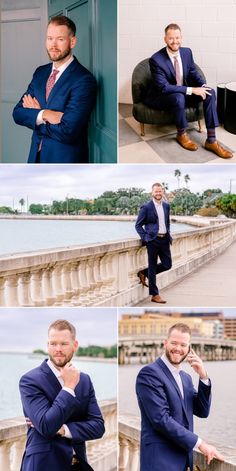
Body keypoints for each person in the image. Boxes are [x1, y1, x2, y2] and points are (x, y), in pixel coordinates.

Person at [136, 323, 224, 471]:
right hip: (159, 461)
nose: (178, 348)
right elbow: (161, 419)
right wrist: (200, 444)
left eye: (183, 344)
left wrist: (203, 376)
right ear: (165, 343)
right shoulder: (149, 374)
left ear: (189, 348)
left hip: (183, 461)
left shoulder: (186, 378)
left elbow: (202, 411)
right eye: (174, 343)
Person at [19, 319, 105, 471]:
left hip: (78, 465)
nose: (58, 349)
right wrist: (69, 387)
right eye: (53, 343)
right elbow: (46, 426)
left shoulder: (84, 380)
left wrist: (64, 429)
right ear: (47, 345)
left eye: (64, 344)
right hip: (43, 464)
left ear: (75, 345)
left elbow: (98, 426)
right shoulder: (30, 381)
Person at [13, 16, 96, 164]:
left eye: (60, 39)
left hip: (64, 159)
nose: (53, 45)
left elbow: (68, 131)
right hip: (35, 157)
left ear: (72, 42)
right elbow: (18, 113)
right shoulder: (40, 72)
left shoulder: (84, 79)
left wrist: (35, 116)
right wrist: (46, 114)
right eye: (50, 38)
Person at [144, 23, 233, 159]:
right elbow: (164, 87)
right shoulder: (156, 59)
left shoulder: (187, 52)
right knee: (178, 97)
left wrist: (202, 85)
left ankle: (211, 140)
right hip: (162, 96)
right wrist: (192, 90)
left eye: (177, 37)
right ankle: (181, 134)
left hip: (181, 92)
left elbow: (192, 72)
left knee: (210, 92)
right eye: (171, 38)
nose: (175, 41)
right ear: (165, 39)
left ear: (181, 37)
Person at [135, 182, 172, 304]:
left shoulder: (166, 206)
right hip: (153, 240)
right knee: (152, 265)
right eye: (156, 191)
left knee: (167, 264)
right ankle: (155, 295)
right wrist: (145, 238)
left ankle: (145, 273)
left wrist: (168, 233)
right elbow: (138, 225)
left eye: (160, 191)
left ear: (163, 192)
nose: (158, 193)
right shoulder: (146, 207)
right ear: (152, 193)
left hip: (165, 239)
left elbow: (167, 222)